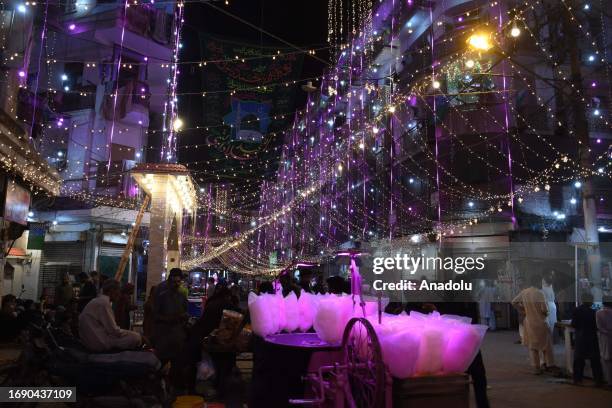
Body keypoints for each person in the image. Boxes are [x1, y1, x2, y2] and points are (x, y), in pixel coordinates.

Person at [78, 279, 142, 352]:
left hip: (92, 339)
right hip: (97, 342)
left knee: (133, 336)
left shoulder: (100, 300)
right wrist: (138, 336)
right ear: (112, 290)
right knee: (136, 337)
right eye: (118, 290)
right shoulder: (103, 303)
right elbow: (113, 330)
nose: (119, 293)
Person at [512, 273, 555, 374]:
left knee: (533, 346)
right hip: (541, 322)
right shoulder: (540, 293)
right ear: (537, 282)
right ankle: (548, 365)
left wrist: (522, 310)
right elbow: (545, 310)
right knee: (546, 345)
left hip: (529, 322)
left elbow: (513, 302)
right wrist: (547, 313)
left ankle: (536, 368)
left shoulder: (524, 292)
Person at [153, 268, 189, 364]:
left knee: (176, 363)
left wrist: (184, 318)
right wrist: (170, 319)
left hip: (177, 335)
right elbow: (154, 315)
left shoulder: (181, 295)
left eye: (178, 282)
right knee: (162, 362)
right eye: (174, 282)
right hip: (164, 335)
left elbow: (185, 311)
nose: (176, 284)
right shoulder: (161, 293)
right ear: (169, 280)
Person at [572, 293, 604, 386]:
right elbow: (597, 326)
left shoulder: (576, 310)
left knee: (578, 360)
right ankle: (598, 380)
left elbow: (574, 324)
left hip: (580, 338)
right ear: (591, 301)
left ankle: (577, 379)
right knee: (595, 361)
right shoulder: (594, 313)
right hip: (591, 338)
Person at [596, 296, 612, 386]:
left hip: (604, 338)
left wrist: (607, 332)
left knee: (606, 359)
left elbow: (599, 327)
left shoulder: (599, 313)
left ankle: (609, 381)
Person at [542, 270, 557, 336]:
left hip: (547, 306)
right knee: (551, 324)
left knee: (547, 323)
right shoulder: (551, 287)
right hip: (553, 306)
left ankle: (547, 340)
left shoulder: (543, 288)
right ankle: (549, 339)